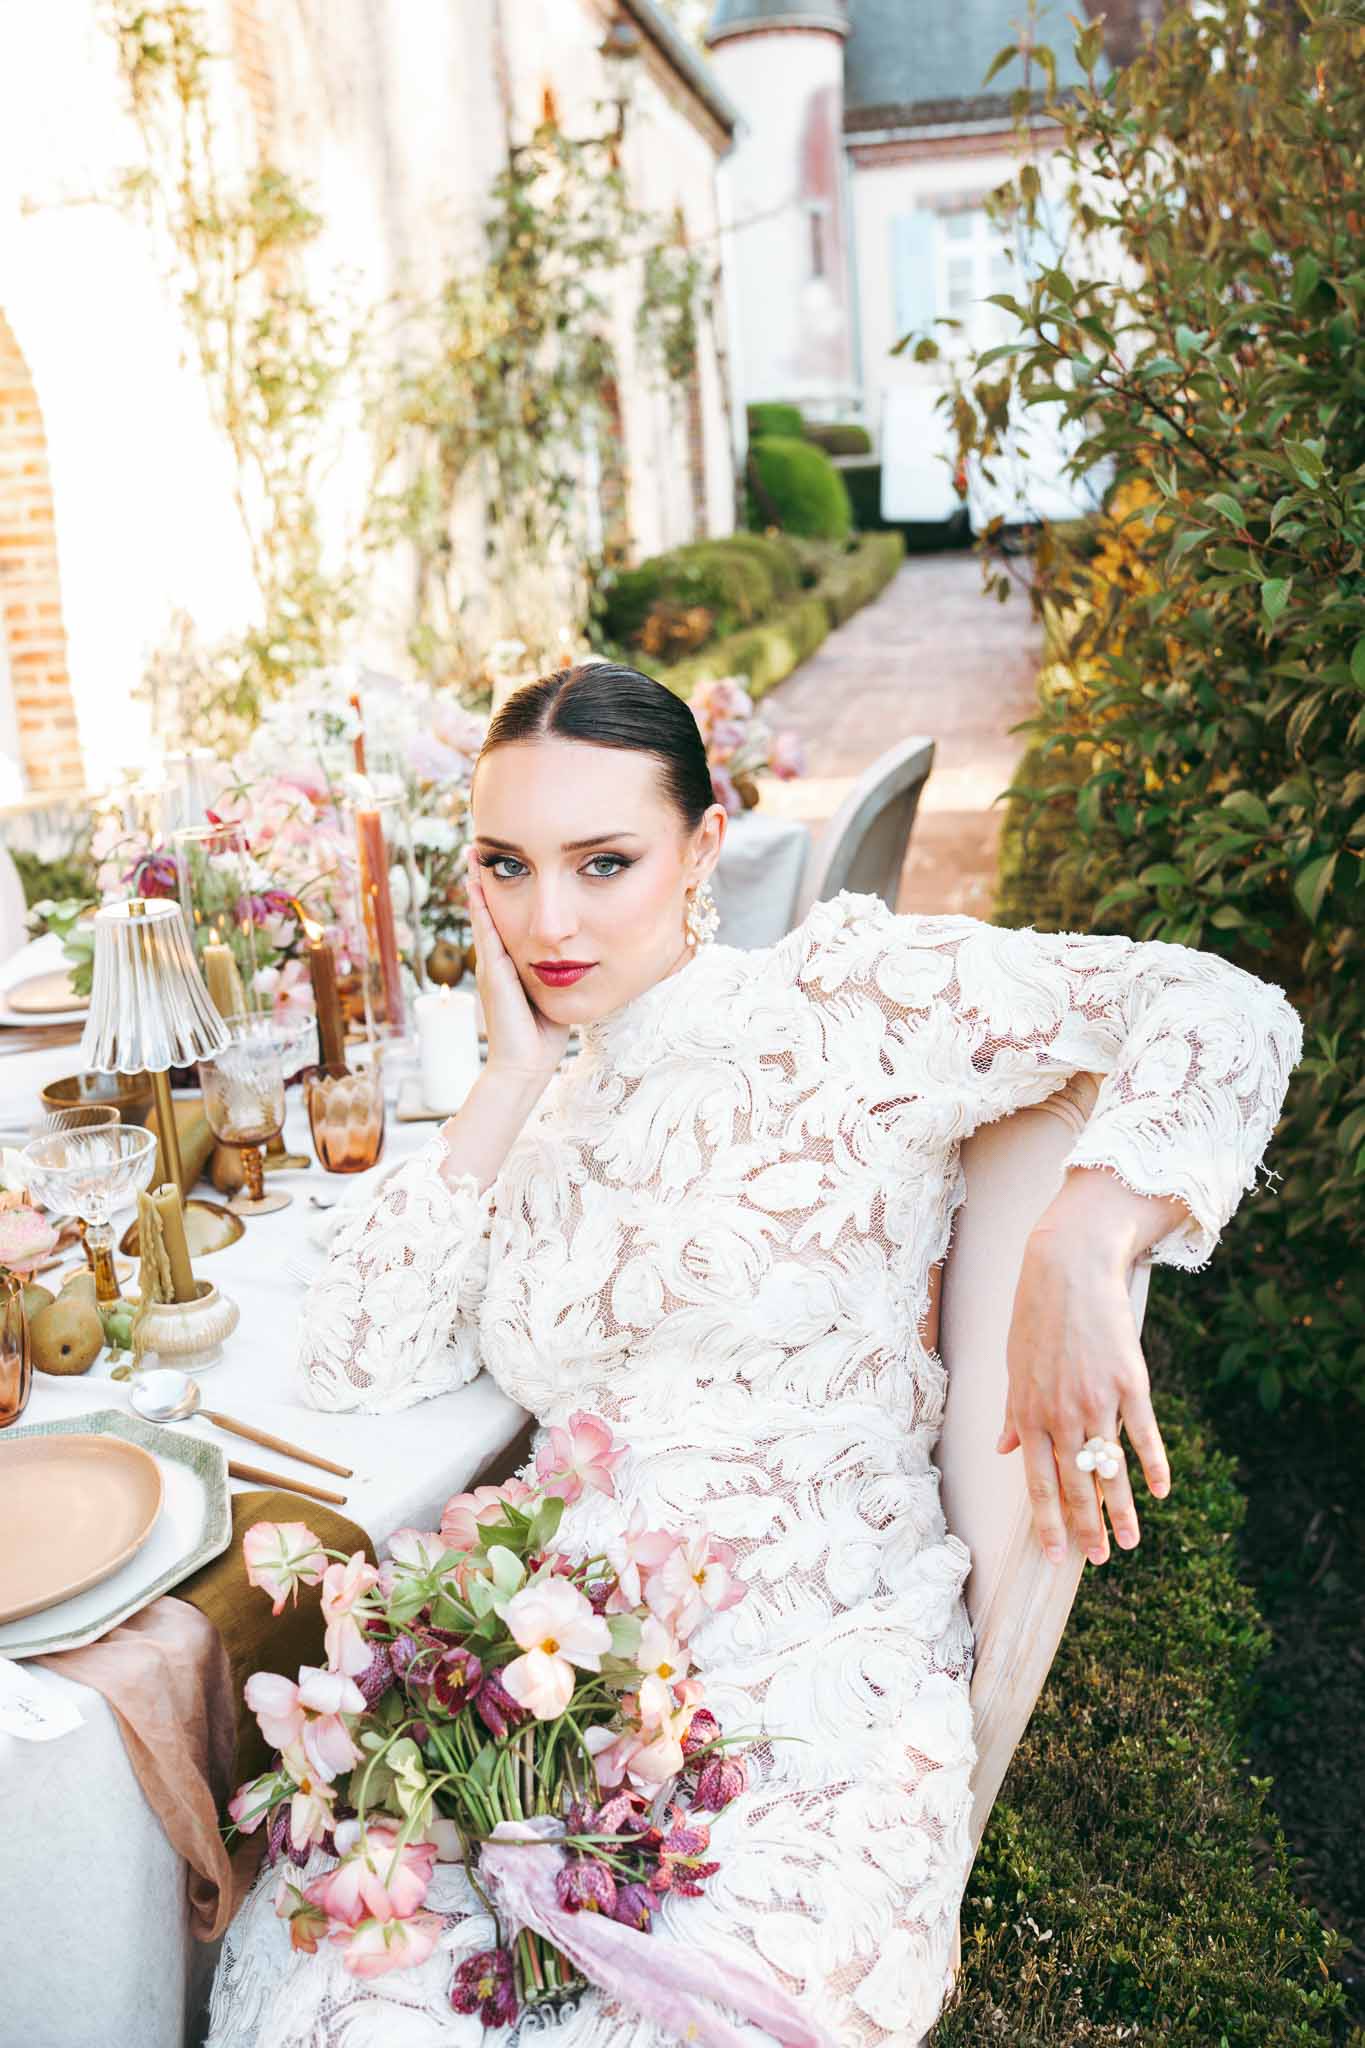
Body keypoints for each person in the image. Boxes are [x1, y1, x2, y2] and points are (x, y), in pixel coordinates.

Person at [208, 663, 1303, 2048]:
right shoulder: (535, 1117)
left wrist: (1081, 1239)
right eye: (506, 867)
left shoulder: (842, 1000)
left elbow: (1217, 1008)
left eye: (604, 862)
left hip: (807, 1668)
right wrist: (509, 1076)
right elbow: (356, 1350)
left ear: (704, 846)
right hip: (549, 1680)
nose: (549, 921)